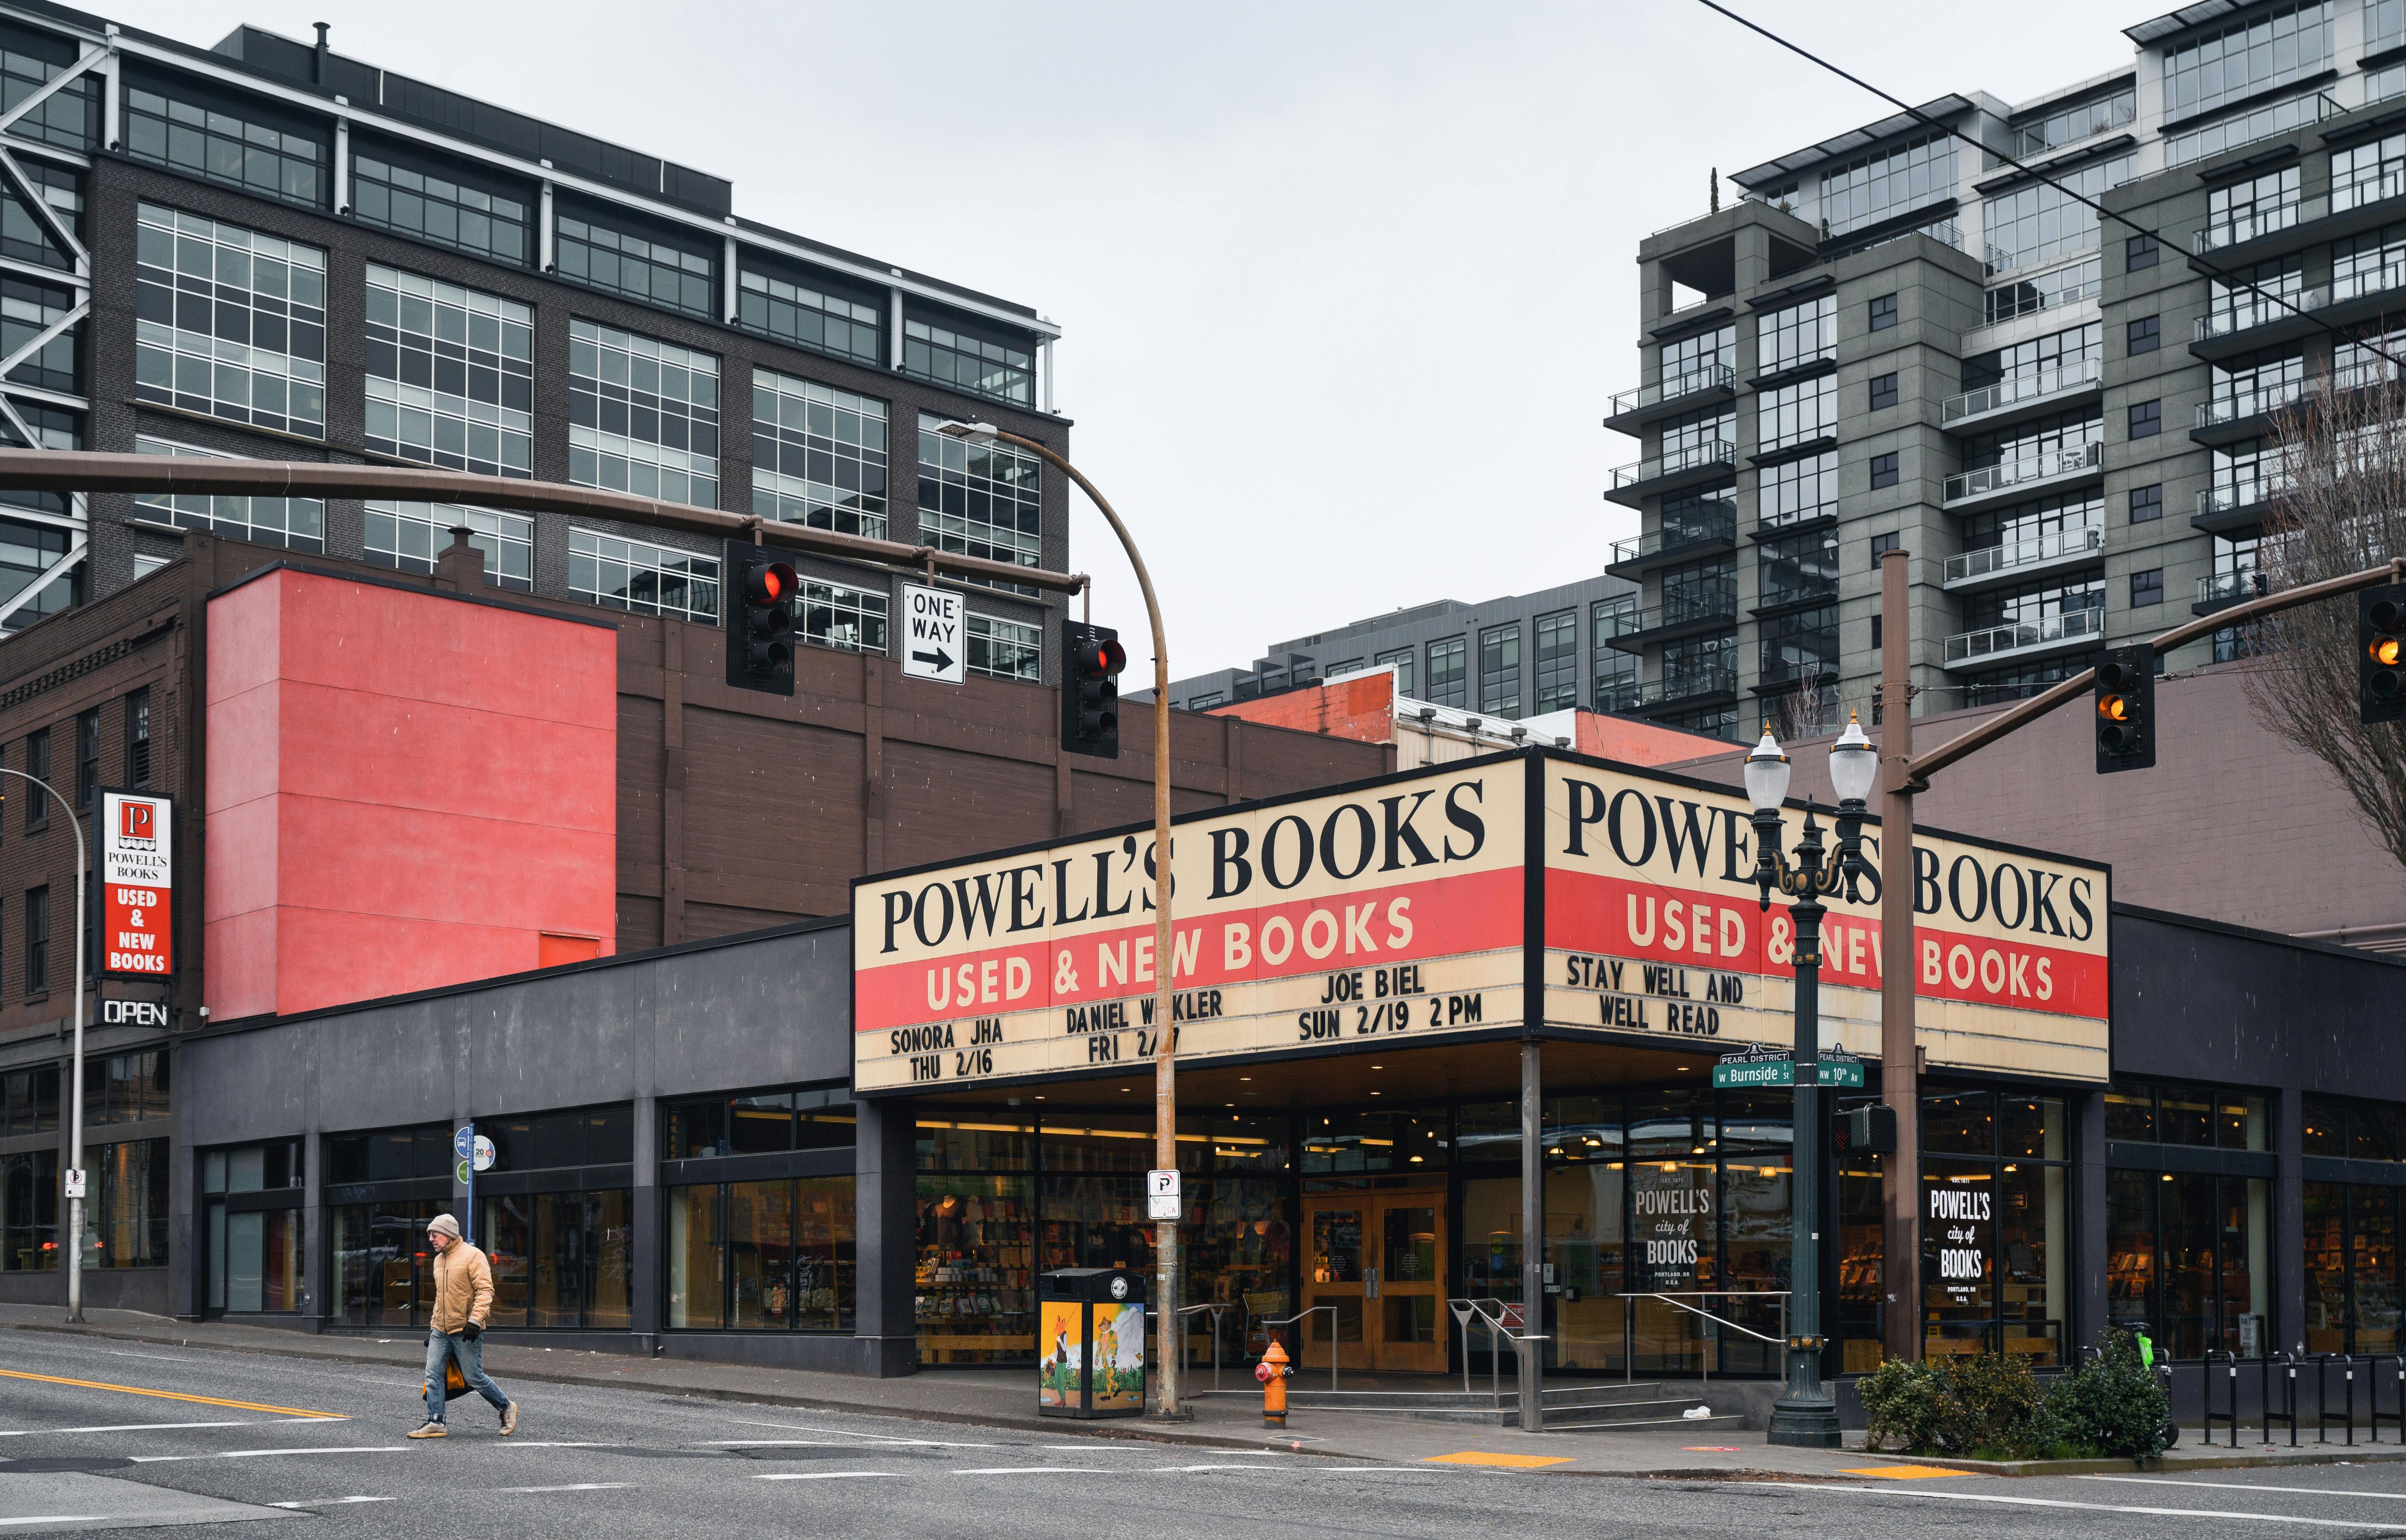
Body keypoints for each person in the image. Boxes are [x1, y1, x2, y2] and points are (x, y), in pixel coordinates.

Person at [408, 1213, 519, 1439]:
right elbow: (441, 1298)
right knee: (433, 1374)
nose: (431, 1238)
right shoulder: (439, 1260)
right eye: (429, 1234)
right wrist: (433, 1328)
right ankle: (437, 1422)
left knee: (473, 1376)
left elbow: (486, 1291)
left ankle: (507, 1407)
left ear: (449, 1235)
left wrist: (475, 1321)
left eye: (435, 1234)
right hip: (441, 1329)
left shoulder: (472, 1256)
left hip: (467, 1330)